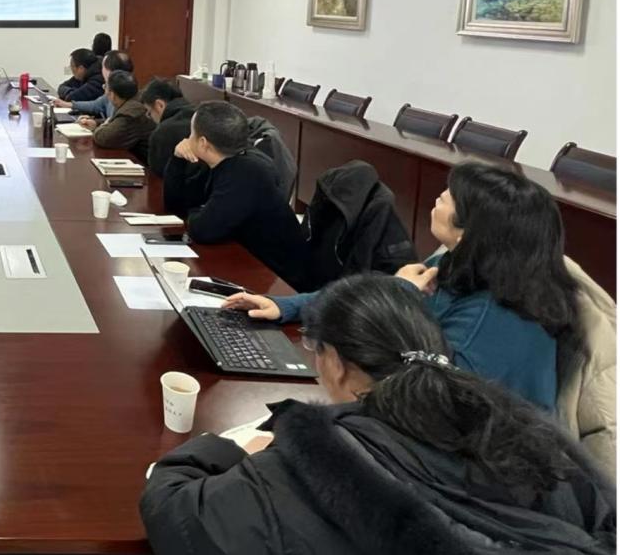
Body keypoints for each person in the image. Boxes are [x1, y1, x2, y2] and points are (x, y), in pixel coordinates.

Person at [141, 274, 615, 555]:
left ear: (336, 363)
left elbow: (175, 512)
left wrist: (231, 449)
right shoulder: (533, 439)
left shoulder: (319, 465)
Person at [224, 162, 578, 410]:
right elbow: (376, 293)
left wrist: (400, 296)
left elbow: (422, 396)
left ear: (475, 229)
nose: (441, 196)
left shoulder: (493, 320)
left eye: (452, 195)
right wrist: (288, 306)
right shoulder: (461, 263)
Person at [175, 101, 312, 291]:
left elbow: (202, 230)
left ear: (203, 143)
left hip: (278, 278)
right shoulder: (222, 161)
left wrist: (196, 212)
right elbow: (177, 205)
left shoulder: (246, 172)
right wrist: (177, 159)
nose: (187, 139)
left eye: (191, 134)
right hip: (249, 258)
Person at [139, 77, 196, 175]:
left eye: (149, 113)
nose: (150, 117)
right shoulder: (200, 117)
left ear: (159, 105)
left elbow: (157, 177)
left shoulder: (163, 132)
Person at [89, 70, 153, 151]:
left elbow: (103, 138)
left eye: (105, 87)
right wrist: (96, 123)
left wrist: (100, 128)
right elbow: (116, 122)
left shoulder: (131, 113)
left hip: (140, 157)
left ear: (112, 95)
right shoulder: (134, 101)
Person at [65, 51, 133, 123]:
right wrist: (69, 104)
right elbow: (97, 104)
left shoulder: (118, 94)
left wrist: (97, 123)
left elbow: (115, 124)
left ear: (109, 71)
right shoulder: (123, 88)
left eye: (103, 66)